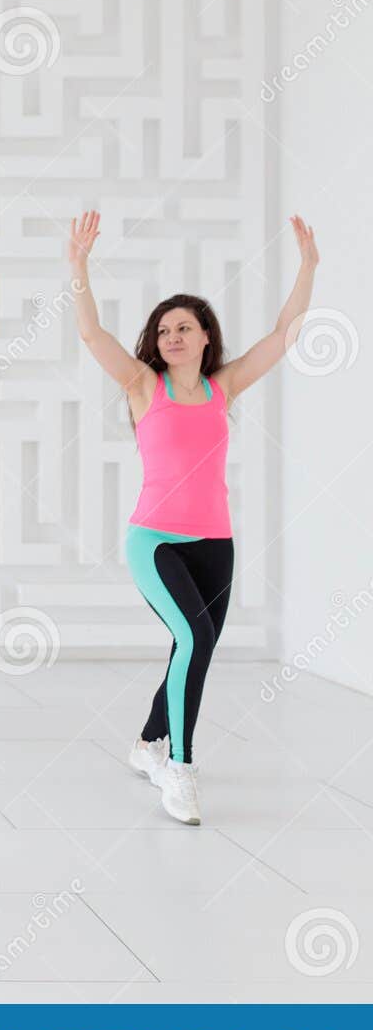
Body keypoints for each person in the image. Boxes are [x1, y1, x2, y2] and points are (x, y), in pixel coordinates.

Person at [69, 210, 320, 824]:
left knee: (194, 647)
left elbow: (286, 333)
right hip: (155, 541)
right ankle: (178, 768)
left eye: (185, 327)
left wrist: (309, 266)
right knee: (195, 637)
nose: (172, 336)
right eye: (164, 330)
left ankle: (148, 742)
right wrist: (77, 265)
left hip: (217, 543)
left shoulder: (224, 387)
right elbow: (93, 334)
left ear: (206, 337)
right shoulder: (141, 385)